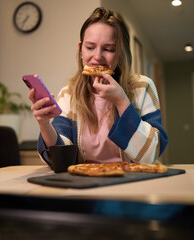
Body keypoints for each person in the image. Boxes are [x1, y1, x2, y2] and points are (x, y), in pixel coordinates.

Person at [28, 7, 168, 167]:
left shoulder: (142, 87)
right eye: (90, 47)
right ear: (80, 48)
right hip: (86, 183)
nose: (97, 56)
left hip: (133, 182)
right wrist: (44, 124)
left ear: (120, 53)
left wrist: (122, 102)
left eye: (108, 49)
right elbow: (63, 161)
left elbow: (150, 155)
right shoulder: (68, 95)